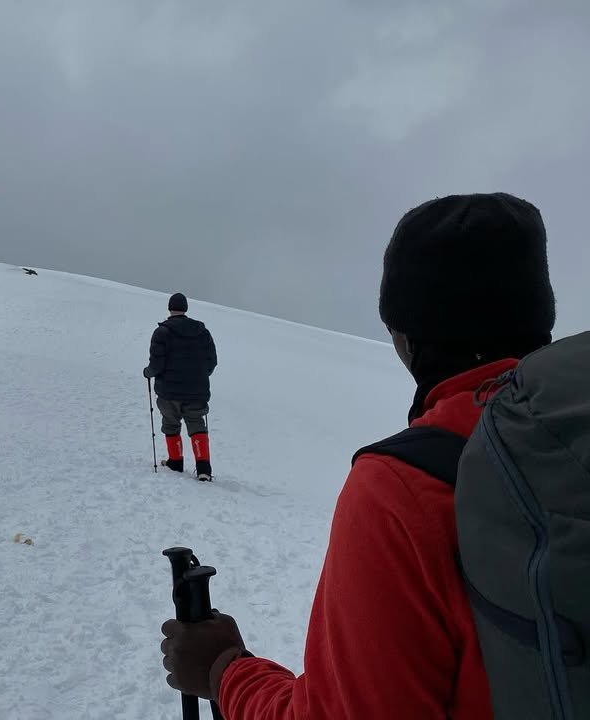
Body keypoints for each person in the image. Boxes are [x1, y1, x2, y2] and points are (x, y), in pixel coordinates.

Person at [159, 192, 557, 718]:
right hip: (198, 389)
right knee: (197, 426)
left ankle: (180, 465)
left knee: (174, 427)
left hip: (174, 389)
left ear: (406, 334)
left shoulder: (403, 492)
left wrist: (223, 671)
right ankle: (203, 464)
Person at [144, 292, 218, 481]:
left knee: (171, 424)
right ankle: (203, 468)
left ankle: (175, 462)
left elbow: (156, 365)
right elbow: (212, 361)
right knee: (196, 423)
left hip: (168, 391)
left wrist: (148, 373)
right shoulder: (202, 332)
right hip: (197, 391)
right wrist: (200, 376)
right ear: (185, 308)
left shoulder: (162, 332)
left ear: (170, 308)